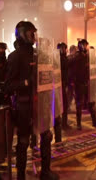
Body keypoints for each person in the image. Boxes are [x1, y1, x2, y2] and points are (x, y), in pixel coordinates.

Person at [5, 21, 59, 180]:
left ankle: (45, 171)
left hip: (40, 103)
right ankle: (20, 176)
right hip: (25, 105)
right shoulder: (15, 57)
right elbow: (8, 86)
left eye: (35, 33)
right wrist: (27, 82)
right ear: (22, 34)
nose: (34, 36)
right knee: (23, 141)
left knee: (46, 136)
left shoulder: (39, 55)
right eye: (31, 33)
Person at [69, 39, 96, 130]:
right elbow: (71, 69)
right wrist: (72, 81)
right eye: (86, 45)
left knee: (91, 102)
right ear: (82, 46)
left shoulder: (87, 56)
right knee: (79, 104)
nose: (87, 47)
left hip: (87, 82)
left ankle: (94, 122)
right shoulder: (77, 56)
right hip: (79, 83)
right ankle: (79, 124)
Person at [57, 42, 70, 129]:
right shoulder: (58, 58)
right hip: (59, 84)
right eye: (61, 48)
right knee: (62, 105)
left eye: (64, 48)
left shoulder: (65, 58)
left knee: (65, 105)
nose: (63, 50)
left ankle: (64, 123)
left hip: (64, 83)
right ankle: (62, 124)